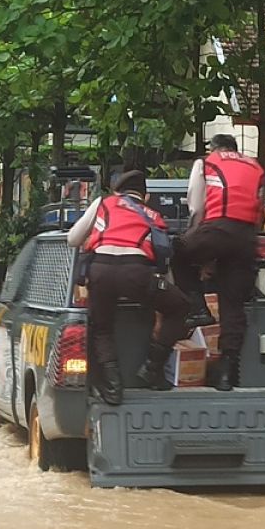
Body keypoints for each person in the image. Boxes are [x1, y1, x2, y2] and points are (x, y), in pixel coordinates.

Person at [67, 171, 189, 404]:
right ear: (146, 195)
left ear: (116, 192)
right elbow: (163, 259)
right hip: (136, 273)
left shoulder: (103, 203)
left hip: (100, 271)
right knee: (180, 306)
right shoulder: (153, 215)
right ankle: (152, 369)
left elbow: (73, 239)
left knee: (101, 328)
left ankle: (113, 388)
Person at [172, 134, 265, 391]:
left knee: (177, 252)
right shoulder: (255, 166)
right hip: (246, 238)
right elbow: (258, 210)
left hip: (216, 229)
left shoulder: (206, 162)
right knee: (232, 305)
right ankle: (228, 373)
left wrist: (194, 243)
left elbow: (196, 206)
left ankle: (198, 308)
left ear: (215, 149)